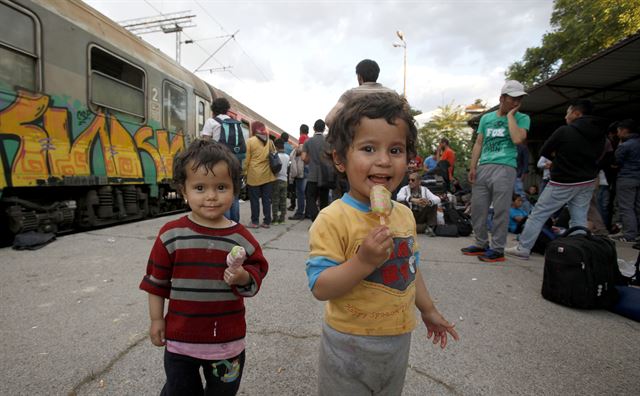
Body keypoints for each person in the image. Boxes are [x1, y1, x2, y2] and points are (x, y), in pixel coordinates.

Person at [307, 92, 459, 395]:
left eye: (395, 149)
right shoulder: (333, 218)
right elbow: (321, 287)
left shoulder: (404, 215)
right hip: (348, 341)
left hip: (398, 337)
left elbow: (410, 268)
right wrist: (363, 261)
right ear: (339, 158)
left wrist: (427, 310)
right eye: (368, 148)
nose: (383, 161)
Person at [139, 140, 268, 395]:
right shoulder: (171, 235)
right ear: (183, 189)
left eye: (221, 187)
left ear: (234, 189)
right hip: (180, 342)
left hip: (226, 345)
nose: (211, 196)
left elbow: (257, 272)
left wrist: (242, 275)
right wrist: (156, 319)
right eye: (200, 187)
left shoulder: (241, 238)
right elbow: (157, 281)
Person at [505, 99, 605, 259]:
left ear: (576, 113)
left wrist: (559, 158)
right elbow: (601, 157)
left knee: (537, 214)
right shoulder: (600, 135)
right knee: (579, 217)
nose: (566, 116)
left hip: (563, 181)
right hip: (587, 181)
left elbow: (545, 151)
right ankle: (577, 251)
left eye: (568, 112)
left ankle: (523, 248)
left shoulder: (565, 131)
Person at [461, 80, 529, 262]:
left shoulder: (522, 118)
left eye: (519, 99)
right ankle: (481, 243)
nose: (516, 102)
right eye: (513, 98)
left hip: (505, 167)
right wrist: (473, 166)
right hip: (484, 167)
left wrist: (510, 117)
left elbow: (517, 139)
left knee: (500, 210)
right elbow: (479, 143)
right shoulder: (486, 118)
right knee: (478, 208)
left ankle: (498, 248)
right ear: (502, 98)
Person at [200, 97, 242, 222]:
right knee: (233, 191)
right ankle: (235, 223)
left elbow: (205, 142)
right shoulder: (234, 122)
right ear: (226, 109)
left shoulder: (211, 122)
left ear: (213, 110)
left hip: (219, 160)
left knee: (221, 190)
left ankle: (225, 222)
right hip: (235, 161)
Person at [325, 59, 395, 127]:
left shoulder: (350, 94)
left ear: (359, 77)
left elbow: (329, 120)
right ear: (377, 75)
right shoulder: (392, 94)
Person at [245, 122, 276, 228]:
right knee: (266, 199)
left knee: (254, 200)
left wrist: (244, 172)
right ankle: (267, 222)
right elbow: (273, 155)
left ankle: (254, 222)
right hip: (267, 175)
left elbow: (246, 160)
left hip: (254, 175)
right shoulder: (270, 141)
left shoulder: (250, 141)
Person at [613, 118, 640, 242]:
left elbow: (616, 162)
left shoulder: (625, 145)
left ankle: (629, 234)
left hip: (627, 178)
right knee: (638, 206)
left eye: (618, 130)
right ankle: (638, 232)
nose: (617, 133)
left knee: (626, 207)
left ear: (625, 131)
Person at [302, 119, 331, 221]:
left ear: (314, 128)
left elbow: (303, 157)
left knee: (310, 197)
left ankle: (315, 217)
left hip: (312, 175)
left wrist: (310, 160)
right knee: (324, 200)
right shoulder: (328, 142)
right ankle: (323, 221)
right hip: (325, 176)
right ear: (324, 129)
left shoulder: (308, 141)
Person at [396, 171, 441, 236]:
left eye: (413, 180)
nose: (410, 182)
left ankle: (430, 227)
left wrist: (428, 202)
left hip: (421, 215)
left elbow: (437, 199)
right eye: (409, 180)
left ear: (419, 182)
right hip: (410, 215)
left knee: (433, 204)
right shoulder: (405, 189)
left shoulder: (425, 190)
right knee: (402, 203)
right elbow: (398, 197)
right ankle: (410, 227)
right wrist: (412, 199)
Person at [288, 125, 308, 220]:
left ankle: (300, 212)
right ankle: (307, 212)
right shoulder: (309, 138)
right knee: (306, 193)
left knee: (300, 192)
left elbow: (300, 150)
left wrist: (295, 149)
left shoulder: (302, 137)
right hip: (309, 169)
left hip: (302, 169)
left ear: (301, 131)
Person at [271, 139, 290, 225]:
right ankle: (282, 219)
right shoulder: (287, 156)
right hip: (285, 180)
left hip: (276, 180)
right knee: (283, 200)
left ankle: (275, 219)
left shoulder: (275, 156)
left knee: (275, 200)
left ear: (276, 147)